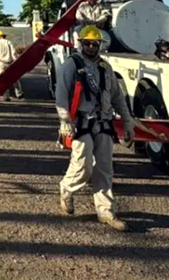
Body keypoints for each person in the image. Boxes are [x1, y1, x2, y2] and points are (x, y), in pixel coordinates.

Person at [56, 25, 135, 232]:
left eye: (95, 43)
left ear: (100, 44)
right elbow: (61, 96)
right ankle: (67, 187)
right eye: (87, 43)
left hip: (104, 122)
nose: (91, 47)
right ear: (80, 43)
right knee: (83, 165)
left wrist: (127, 121)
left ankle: (106, 212)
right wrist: (65, 121)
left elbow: (117, 96)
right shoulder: (70, 66)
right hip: (80, 123)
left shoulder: (105, 68)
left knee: (105, 168)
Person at [0, 30, 22, 100]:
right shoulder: (8, 42)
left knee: (3, 80)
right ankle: (19, 93)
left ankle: (6, 96)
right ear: (4, 36)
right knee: (14, 79)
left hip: (1, 64)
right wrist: (15, 60)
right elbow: (13, 52)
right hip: (9, 63)